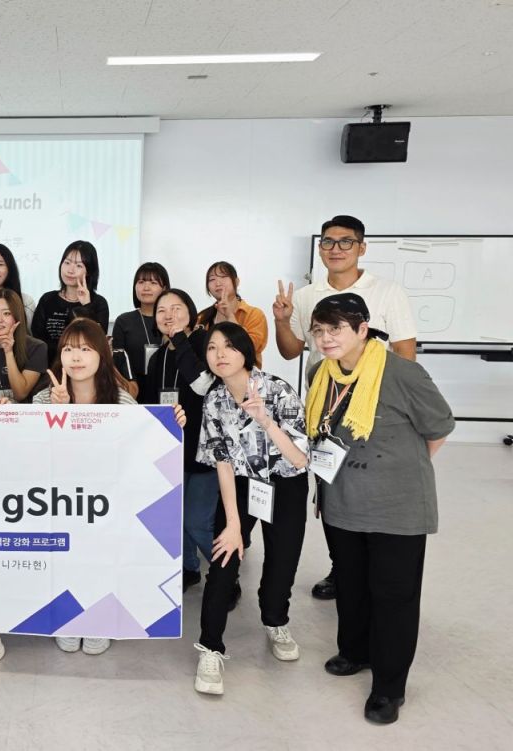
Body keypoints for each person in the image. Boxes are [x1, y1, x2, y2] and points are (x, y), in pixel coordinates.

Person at [304, 293, 453, 724]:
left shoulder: (403, 373)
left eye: (336, 328)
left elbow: (439, 428)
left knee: (393, 596)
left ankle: (389, 688)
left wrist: (400, 473)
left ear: (363, 329)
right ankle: (355, 651)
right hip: (341, 501)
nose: (326, 338)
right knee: (351, 585)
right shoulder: (319, 373)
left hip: (397, 508)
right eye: (319, 330)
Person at [273, 215, 418, 601]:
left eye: (345, 242)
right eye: (328, 242)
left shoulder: (387, 291)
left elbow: (405, 351)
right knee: (330, 492)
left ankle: (374, 567)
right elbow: (291, 351)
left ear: (361, 247)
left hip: (374, 413)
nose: (335, 249)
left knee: (372, 488)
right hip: (325, 411)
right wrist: (282, 321)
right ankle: (343, 568)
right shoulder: (307, 296)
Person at [34, 318, 185, 656]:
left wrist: (172, 424)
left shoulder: (121, 401)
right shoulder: (44, 398)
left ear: (102, 355)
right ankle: (69, 620)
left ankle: (99, 620)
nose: (76, 357)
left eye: (85, 349)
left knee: (101, 558)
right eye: (68, 349)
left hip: (108, 504)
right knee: (65, 560)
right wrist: (58, 412)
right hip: (61, 503)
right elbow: (35, 455)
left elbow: (141, 454)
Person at [193, 321, 309, 696]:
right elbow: (223, 462)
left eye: (229, 346)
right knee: (224, 557)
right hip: (242, 484)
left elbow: (300, 459)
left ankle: (275, 621)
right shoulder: (214, 399)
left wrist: (265, 421)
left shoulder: (277, 390)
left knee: (282, 560)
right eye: (212, 347)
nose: (220, 354)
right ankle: (210, 647)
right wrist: (232, 525)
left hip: (285, 483)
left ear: (245, 351)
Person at [141, 288, 215, 592]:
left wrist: (180, 339)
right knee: (176, 517)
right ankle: (189, 568)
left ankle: (227, 575)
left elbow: (202, 386)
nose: (168, 315)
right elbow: (150, 402)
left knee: (197, 522)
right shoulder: (158, 357)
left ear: (191, 314)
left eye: (176, 309)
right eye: (161, 310)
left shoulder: (203, 343)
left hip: (204, 450)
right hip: (171, 450)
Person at [31, 240, 109, 364]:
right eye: (67, 263)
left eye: (79, 266)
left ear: (89, 271)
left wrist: (86, 306)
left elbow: (96, 342)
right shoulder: (47, 299)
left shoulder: (99, 303)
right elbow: (37, 340)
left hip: (83, 366)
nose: (70, 270)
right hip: (49, 367)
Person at [0, 288, 47, 402]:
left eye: (6, 313)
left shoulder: (37, 347)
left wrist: (8, 352)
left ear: (17, 317)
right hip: (0, 412)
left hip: (31, 412)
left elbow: (20, 393)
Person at [195, 261, 268, 368]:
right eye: (212, 279)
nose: (218, 283)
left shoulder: (254, 314)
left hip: (244, 377)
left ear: (236, 281)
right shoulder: (201, 317)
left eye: (223, 277)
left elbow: (248, 349)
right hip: (209, 376)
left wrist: (230, 316)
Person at [112, 262, 170, 394]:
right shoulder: (123, 321)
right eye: (141, 282)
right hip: (132, 391)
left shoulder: (172, 319)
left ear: (164, 289)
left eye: (153, 283)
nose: (146, 287)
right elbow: (118, 364)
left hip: (167, 389)